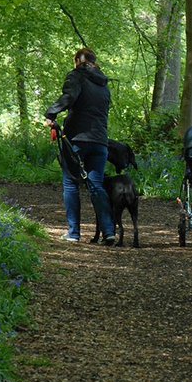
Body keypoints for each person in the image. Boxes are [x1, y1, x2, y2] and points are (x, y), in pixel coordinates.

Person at [46, 47, 116, 244]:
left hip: (77, 139)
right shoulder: (104, 84)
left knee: (70, 183)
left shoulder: (76, 76)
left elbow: (69, 97)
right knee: (96, 185)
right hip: (100, 141)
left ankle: (74, 233)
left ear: (78, 60)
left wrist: (51, 114)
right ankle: (109, 232)